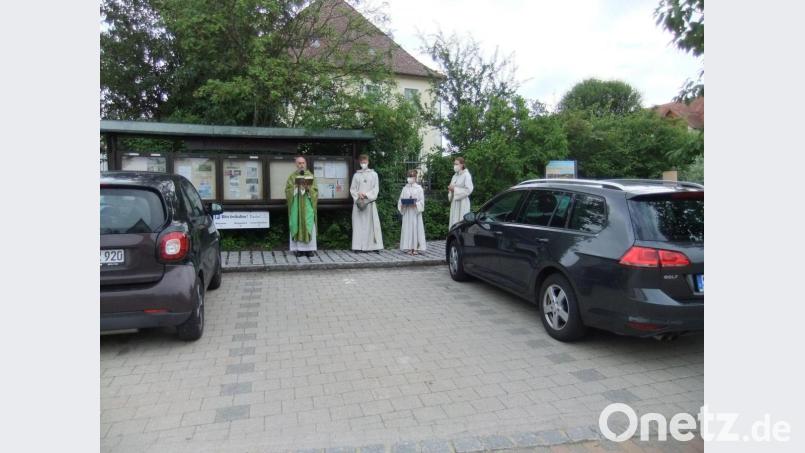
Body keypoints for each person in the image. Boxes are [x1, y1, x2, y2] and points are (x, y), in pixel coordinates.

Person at [285, 156, 318, 257]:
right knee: (296, 224)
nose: (301, 165)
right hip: (296, 205)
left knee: (309, 224)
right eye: (299, 163)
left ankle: (310, 250)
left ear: (306, 164)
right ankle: (298, 249)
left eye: (303, 163)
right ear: (296, 164)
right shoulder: (292, 177)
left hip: (308, 206)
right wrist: (295, 187)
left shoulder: (310, 176)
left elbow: (315, 191)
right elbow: (287, 190)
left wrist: (308, 189)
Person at [350, 154, 384, 252]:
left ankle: (373, 246)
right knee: (358, 225)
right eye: (362, 162)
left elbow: (376, 188)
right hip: (359, 203)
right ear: (359, 163)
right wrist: (358, 194)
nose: (363, 164)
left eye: (365, 162)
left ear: (368, 162)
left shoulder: (374, 174)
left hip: (370, 203)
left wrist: (367, 195)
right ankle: (358, 246)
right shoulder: (356, 175)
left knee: (372, 225)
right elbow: (352, 189)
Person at [398, 169, 426, 255]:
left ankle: (416, 248)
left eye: (411, 176)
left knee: (416, 229)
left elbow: (422, 202)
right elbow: (400, 200)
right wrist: (402, 205)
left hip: (415, 213)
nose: (409, 178)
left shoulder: (419, 188)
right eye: (409, 176)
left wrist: (416, 204)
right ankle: (409, 247)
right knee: (407, 229)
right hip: (407, 212)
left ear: (415, 178)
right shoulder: (405, 188)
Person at [448, 156, 474, 229]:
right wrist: (450, 190)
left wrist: (455, 189)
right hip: (454, 202)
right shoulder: (454, 176)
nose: (455, 166)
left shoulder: (466, 175)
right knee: (454, 221)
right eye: (454, 164)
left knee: (461, 221)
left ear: (462, 165)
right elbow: (451, 187)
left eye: (456, 164)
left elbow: (469, 189)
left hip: (463, 203)